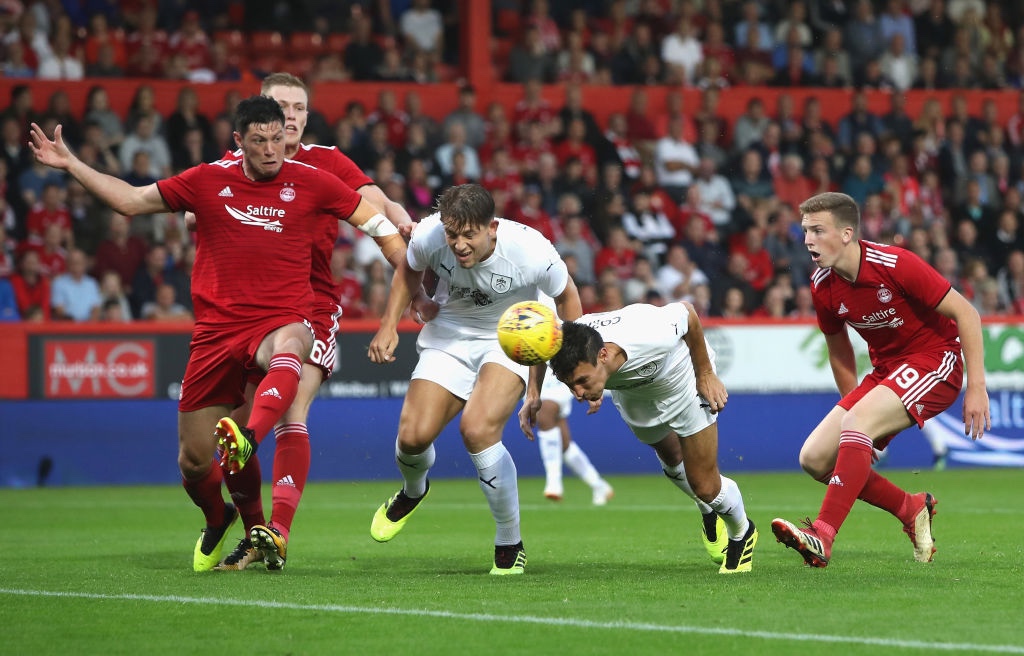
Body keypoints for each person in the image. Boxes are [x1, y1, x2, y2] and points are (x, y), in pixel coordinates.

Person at [28, 96, 409, 573]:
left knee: (294, 343)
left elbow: (379, 224)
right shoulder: (206, 181)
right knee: (193, 461)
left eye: (276, 138)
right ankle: (219, 516)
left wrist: (403, 282)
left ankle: (247, 438)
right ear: (239, 142)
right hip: (215, 333)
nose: (272, 149)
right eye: (259, 141)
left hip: (281, 317)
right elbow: (128, 200)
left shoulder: (314, 182)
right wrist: (71, 164)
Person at [210, 72, 427, 572]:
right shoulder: (229, 168)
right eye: (280, 104)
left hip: (310, 306)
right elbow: (190, 214)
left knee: (290, 411)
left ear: (307, 116)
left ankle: (279, 531)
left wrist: (404, 230)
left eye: (299, 107)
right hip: (243, 312)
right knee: (236, 425)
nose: (290, 114)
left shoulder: (325, 161)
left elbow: (382, 203)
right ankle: (254, 533)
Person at [366, 183, 582, 575]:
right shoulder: (431, 233)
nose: (459, 244)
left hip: (511, 337)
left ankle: (509, 541)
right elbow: (408, 271)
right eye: (453, 234)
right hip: (450, 332)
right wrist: (388, 326)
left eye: (469, 235)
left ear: (492, 228)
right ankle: (415, 490)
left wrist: (557, 374)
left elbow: (567, 299)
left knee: (477, 430)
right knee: (412, 438)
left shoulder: (531, 252)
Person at [771, 192, 990, 568]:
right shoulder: (823, 285)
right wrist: (855, 417)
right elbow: (839, 350)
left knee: (856, 425)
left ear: (846, 234)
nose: (807, 239)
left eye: (817, 230)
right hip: (886, 371)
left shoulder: (895, 263)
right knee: (814, 459)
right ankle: (911, 507)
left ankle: (823, 535)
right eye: (806, 230)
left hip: (935, 361)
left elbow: (966, 313)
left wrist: (978, 387)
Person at [548, 302, 758, 574]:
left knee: (705, 485)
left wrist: (705, 373)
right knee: (671, 458)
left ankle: (742, 531)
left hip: (682, 381)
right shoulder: (576, 344)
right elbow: (544, 360)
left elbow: (688, 313)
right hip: (635, 395)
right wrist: (538, 394)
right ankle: (707, 510)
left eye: (583, 381)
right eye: (571, 384)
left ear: (603, 355)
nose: (577, 394)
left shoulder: (649, 333)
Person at [536, 362, 614, 505]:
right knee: (564, 445)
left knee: (544, 413)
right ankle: (599, 485)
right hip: (532, 374)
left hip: (554, 372)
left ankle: (553, 481)